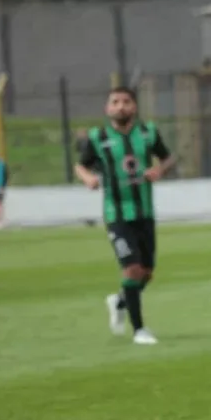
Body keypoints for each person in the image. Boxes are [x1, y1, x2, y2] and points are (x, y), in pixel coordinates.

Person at [75, 87, 175, 344]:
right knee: (131, 269)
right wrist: (88, 178)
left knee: (146, 273)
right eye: (115, 102)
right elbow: (80, 165)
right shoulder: (98, 138)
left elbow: (167, 158)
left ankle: (119, 301)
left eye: (126, 101)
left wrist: (158, 170)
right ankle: (139, 330)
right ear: (108, 109)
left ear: (134, 107)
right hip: (116, 215)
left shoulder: (148, 132)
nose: (121, 106)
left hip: (145, 212)